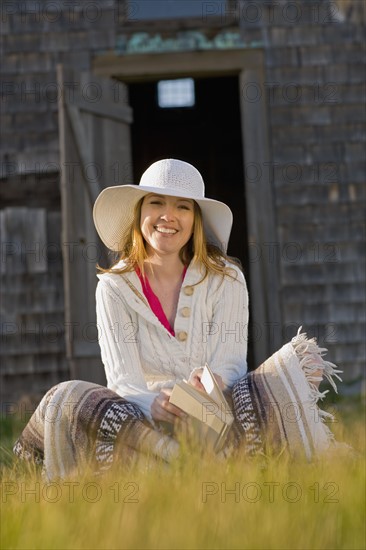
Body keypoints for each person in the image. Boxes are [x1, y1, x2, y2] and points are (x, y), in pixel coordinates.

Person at [13, 159, 343, 480]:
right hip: (143, 419)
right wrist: (155, 404)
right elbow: (123, 382)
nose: (168, 216)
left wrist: (211, 381)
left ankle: (218, 458)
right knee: (68, 396)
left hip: (219, 412)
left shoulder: (226, 278)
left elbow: (231, 364)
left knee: (295, 367)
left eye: (183, 207)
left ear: (195, 219)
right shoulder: (114, 287)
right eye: (156, 202)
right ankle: (172, 460)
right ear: (139, 212)